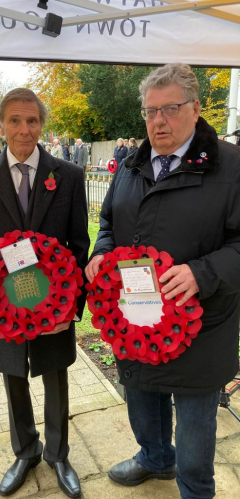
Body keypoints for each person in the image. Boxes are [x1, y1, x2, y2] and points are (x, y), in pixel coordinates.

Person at [85, 63, 240, 499]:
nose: (158, 121)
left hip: (201, 328)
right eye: (150, 112)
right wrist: (101, 252)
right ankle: (154, 458)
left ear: (194, 109)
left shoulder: (231, 167)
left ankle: (195, 488)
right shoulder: (131, 165)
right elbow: (109, 222)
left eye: (169, 109)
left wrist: (200, 273)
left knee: (194, 429)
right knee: (142, 401)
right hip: (136, 321)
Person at [0, 88, 89, 498]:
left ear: (42, 125)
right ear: (1, 126)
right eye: (15, 120)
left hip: (53, 307)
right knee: (13, 379)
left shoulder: (67, 175)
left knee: (55, 378)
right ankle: (25, 451)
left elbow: (79, 245)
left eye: (32, 120)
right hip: (4, 307)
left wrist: (73, 305)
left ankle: (58, 454)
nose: (24, 129)